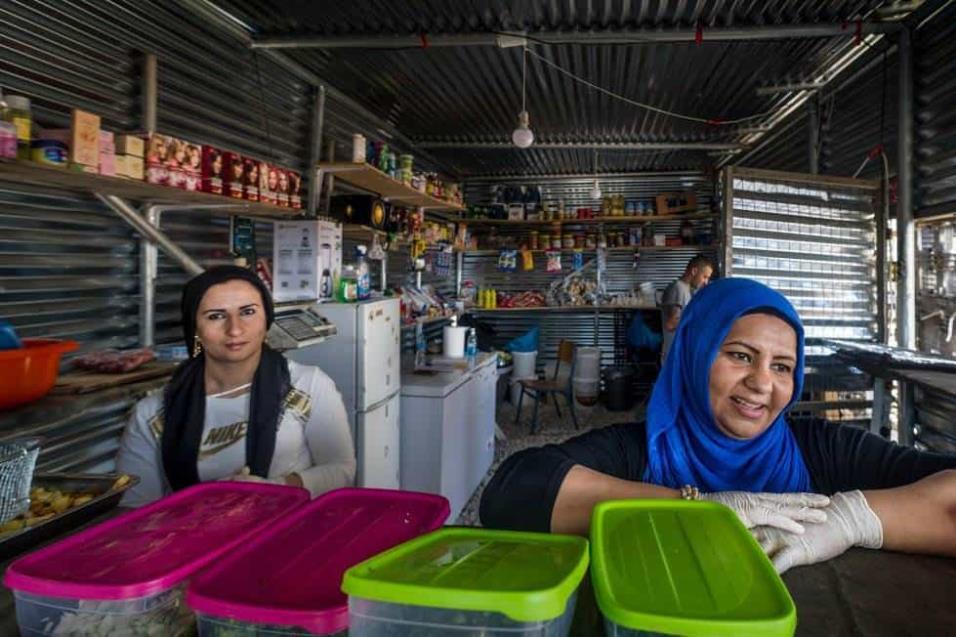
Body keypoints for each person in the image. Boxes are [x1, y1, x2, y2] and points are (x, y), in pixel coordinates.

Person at [480, 278, 956, 573]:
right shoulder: (641, 453)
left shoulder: (823, 451)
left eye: (783, 367)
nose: (761, 383)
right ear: (693, 354)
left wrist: (852, 518)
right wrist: (698, 506)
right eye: (740, 356)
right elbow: (512, 492)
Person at [117, 266, 356, 507]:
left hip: (290, 535)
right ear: (195, 329)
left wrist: (275, 488)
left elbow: (341, 471)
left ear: (266, 318)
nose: (235, 329)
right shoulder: (153, 413)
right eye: (215, 316)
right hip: (197, 542)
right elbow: (135, 507)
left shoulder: (309, 385)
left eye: (248, 312)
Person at [660, 255, 714, 361]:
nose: (706, 282)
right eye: (705, 277)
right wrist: (697, 321)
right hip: (673, 354)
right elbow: (670, 324)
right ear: (694, 271)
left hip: (679, 352)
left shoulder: (686, 289)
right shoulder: (678, 288)